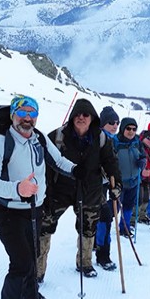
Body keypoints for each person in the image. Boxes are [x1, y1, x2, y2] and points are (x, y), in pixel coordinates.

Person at [0, 95, 85, 299]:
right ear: (13, 115)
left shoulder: (39, 139)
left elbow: (58, 161)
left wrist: (77, 170)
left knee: (32, 254)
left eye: (32, 113)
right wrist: (18, 188)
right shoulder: (1, 142)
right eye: (23, 112)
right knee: (20, 263)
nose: (27, 118)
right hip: (7, 212)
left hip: (34, 210)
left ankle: (29, 295)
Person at [38, 99, 122, 281]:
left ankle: (85, 263)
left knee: (88, 228)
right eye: (77, 114)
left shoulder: (101, 138)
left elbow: (111, 163)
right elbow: (43, 162)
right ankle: (37, 271)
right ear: (72, 116)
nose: (81, 118)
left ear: (92, 118)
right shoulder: (57, 136)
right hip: (59, 190)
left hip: (90, 190)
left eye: (86, 114)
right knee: (44, 227)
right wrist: (43, 190)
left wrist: (117, 185)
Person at [94, 106, 121, 270]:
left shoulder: (112, 140)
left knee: (104, 217)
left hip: (106, 186)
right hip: (93, 187)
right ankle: (102, 255)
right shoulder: (96, 139)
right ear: (103, 123)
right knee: (103, 218)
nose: (115, 125)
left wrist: (116, 183)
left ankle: (100, 250)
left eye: (117, 122)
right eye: (111, 122)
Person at [113, 117, 146, 237]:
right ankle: (102, 231)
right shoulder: (114, 142)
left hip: (134, 181)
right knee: (114, 209)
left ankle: (124, 228)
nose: (131, 131)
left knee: (128, 206)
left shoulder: (137, 141)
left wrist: (143, 161)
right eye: (128, 128)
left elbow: (143, 155)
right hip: (119, 183)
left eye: (134, 129)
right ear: (122, 129)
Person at [134, 129, 150, 225]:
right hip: (137, 178)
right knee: (137, 199)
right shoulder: (138, 147)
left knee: (146, 198)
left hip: (148, 177)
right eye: (148, 138)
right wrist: (141, 172)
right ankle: (132, 220)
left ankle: (142, 215)